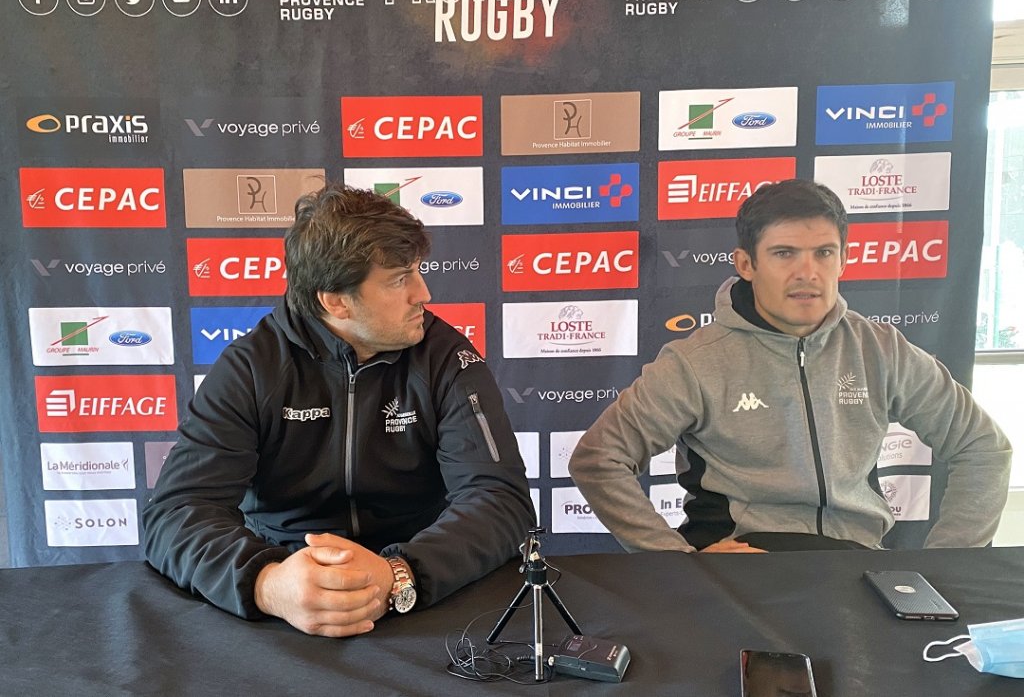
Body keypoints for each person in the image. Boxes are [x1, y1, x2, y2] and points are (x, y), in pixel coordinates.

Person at [144, 184, 535, 636]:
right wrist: (268, 583)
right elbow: (175, 511)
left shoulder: (447, 357)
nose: (423, 293)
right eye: (398, 279)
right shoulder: (251, 368)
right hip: (286, 595)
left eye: (417, 272)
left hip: (420, 593)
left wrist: (399, 573)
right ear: (334, 300)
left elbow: (501, 501)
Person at [569, 180, 1012, 554]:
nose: (808, 272)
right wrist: (676, 560)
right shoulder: (695, 361)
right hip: (744, 565)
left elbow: (983, 447)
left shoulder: (880, 349)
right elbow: (599, 458)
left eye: (823, 253)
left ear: (843, 259)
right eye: (784, 253)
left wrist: (951, 567)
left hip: (854, 564)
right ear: (747, 264)